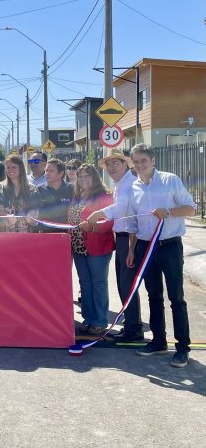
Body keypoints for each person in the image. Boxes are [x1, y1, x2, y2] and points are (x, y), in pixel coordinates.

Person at [126, 144, 194, 367]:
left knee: (176, 297)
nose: (140, 165)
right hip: (145, 248)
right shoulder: (133, 187)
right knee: (153, 296)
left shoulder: (170, 180)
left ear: (153, 160)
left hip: (169, 246)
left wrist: (168, 213)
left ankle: (182, 348)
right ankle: (158, 341)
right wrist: (131, 250)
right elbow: (134, 223)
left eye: (143, 161)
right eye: (136, 162)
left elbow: (191, 208)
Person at [87, 148, 143, 342]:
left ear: (125, 164)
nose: (111, 167)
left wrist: (98, 214)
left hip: (129, 238)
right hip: (121, 237)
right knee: (123, 284)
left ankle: (134, 329)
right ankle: (131, 325)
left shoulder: (130, 183)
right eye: (108, 164)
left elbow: (122, 208)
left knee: (127, 285)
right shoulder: (121, 184)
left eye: (115, 163)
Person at [68, 164, 115, 336]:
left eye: (87, 176)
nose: (83, 179)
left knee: (98, 284)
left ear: (95, 177)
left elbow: (110, 221)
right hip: (78, 247)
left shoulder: (104, 196)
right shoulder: (77, 196)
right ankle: (88, 319)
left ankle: (100, 321)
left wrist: (94, 227)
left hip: (98, 246)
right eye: (80, 176)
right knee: (85, 284)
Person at [0, 155, 41, 233]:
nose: (10, 170)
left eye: (14, 167)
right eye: (8, 167)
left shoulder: (32, 189)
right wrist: (7, 217)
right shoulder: (0, 187)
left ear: (21, 168)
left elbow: (35, 212)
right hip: (6, 233)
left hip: (27, 234)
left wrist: (30, 217)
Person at [36, 158, 74, 233]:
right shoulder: (39, 190)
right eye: (46, 170)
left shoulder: (72, 189)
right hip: (46, 234)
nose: (47, 173)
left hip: (67, 234)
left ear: (61, 174)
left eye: (51, 171)